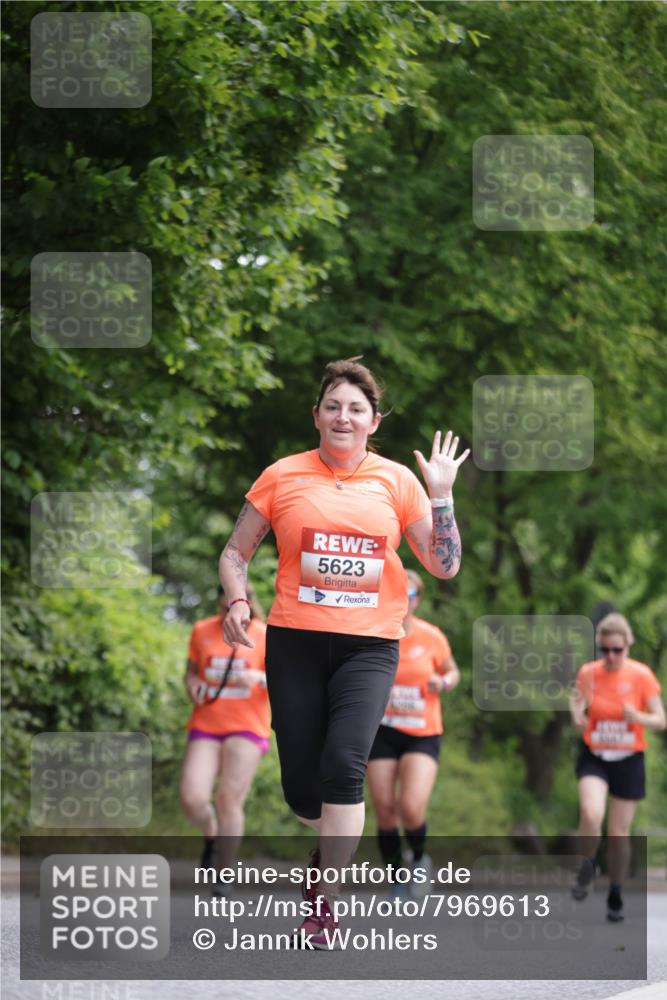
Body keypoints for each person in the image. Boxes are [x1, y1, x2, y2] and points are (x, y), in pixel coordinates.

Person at [219, 357, 469, 947]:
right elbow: (235, 553)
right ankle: (326, 852)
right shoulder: (282, 475)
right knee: (304, 790)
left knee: (345, 767)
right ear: (316, 416)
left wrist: (441, 497)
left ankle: (325, 902)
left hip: (370, 646)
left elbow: (444, 564)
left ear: (373, 421)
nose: (343, 416)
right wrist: (236, 602)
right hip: (294, 643)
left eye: (356, 408)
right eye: (333, 405)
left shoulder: (396, 483)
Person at [367, 568, 460, 898]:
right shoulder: (374, 632)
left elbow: (452, 671)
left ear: (417, 600)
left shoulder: (431, 636)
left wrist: (444, 682)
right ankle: (395, 878)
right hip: (381, 731)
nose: (403, 601)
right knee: (384, 808)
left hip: (422, 732)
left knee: (410, 807)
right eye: (397, 593)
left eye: (409, 595)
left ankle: (419, 859)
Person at [569, 611, 665, 921]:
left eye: (617, 650)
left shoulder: (641, 676)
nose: (611, 656)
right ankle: (587, 866)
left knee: (619, 832)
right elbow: (576, 698)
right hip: (595, 754)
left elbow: (660, 720)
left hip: (628, 757)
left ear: (628, 646)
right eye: (605, 650)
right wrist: (576, 713)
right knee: (590, 813)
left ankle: (616, 892)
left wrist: (638, 718)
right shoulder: (589, 672)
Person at [180, 582, 270, 885]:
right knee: (192, 798)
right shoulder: (202, 629)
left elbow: (287, 680)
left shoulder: (263, 634)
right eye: (226, 597)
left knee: (229, 799)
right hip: (207, 723)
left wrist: (259, 678)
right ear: (219, 598)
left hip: (247, 725)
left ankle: (224, 873)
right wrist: (192, 685)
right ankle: (212, 835)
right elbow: (191, 672)